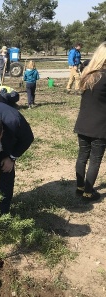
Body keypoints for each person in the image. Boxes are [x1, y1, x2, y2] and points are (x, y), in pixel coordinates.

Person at [74, 41, 106, 202]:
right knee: (95, 159)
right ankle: (88, 192)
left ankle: (80, 187)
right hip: (100, 126)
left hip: (83, 123)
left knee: (82, 156)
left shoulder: (88, 74)